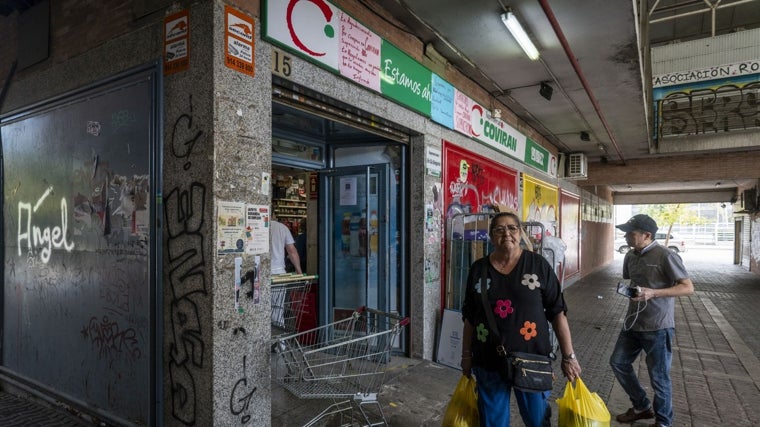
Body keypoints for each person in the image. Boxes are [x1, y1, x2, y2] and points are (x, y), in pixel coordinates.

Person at [460, 212, 581, 427]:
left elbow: (557, 312)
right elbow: (470, 316)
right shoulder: (478, 268)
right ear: (491, 236)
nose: (506, 233)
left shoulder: (538, 265)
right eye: (499, 229)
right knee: (492, 422)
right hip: (488, 359)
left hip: (532, 359)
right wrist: (466, 355)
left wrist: (569, 356)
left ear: (520, 232)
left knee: (537, 420)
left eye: (512, 228)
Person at [610, 214, 694, 427]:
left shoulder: (665, 255)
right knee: (618, 362)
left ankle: (664, 421)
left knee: (659, 377)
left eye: (631, 233)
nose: (626, 237)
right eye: (626, 233)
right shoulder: (630, 256)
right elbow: (634, 282)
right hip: (632, 323)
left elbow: (687, 287)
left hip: (658, 326)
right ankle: (641, 407)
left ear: (647, 235)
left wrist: (653, 293)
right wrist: (629, 291)